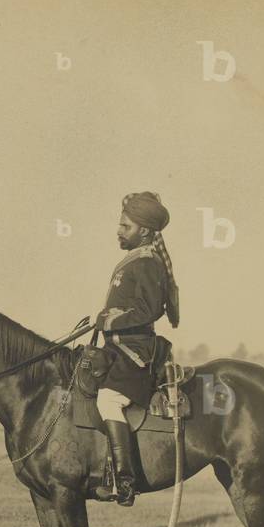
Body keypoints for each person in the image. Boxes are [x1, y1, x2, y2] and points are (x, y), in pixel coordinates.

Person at [89, 192, 179, 506]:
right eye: (120, 223)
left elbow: (150, 310)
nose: (119, 230)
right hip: (117, 352)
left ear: (142, 230)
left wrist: (110, 322)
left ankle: (124, 482)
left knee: (108, 400)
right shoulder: (133, 259)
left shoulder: (147, 262)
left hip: (136, 354)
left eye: (125, 225)